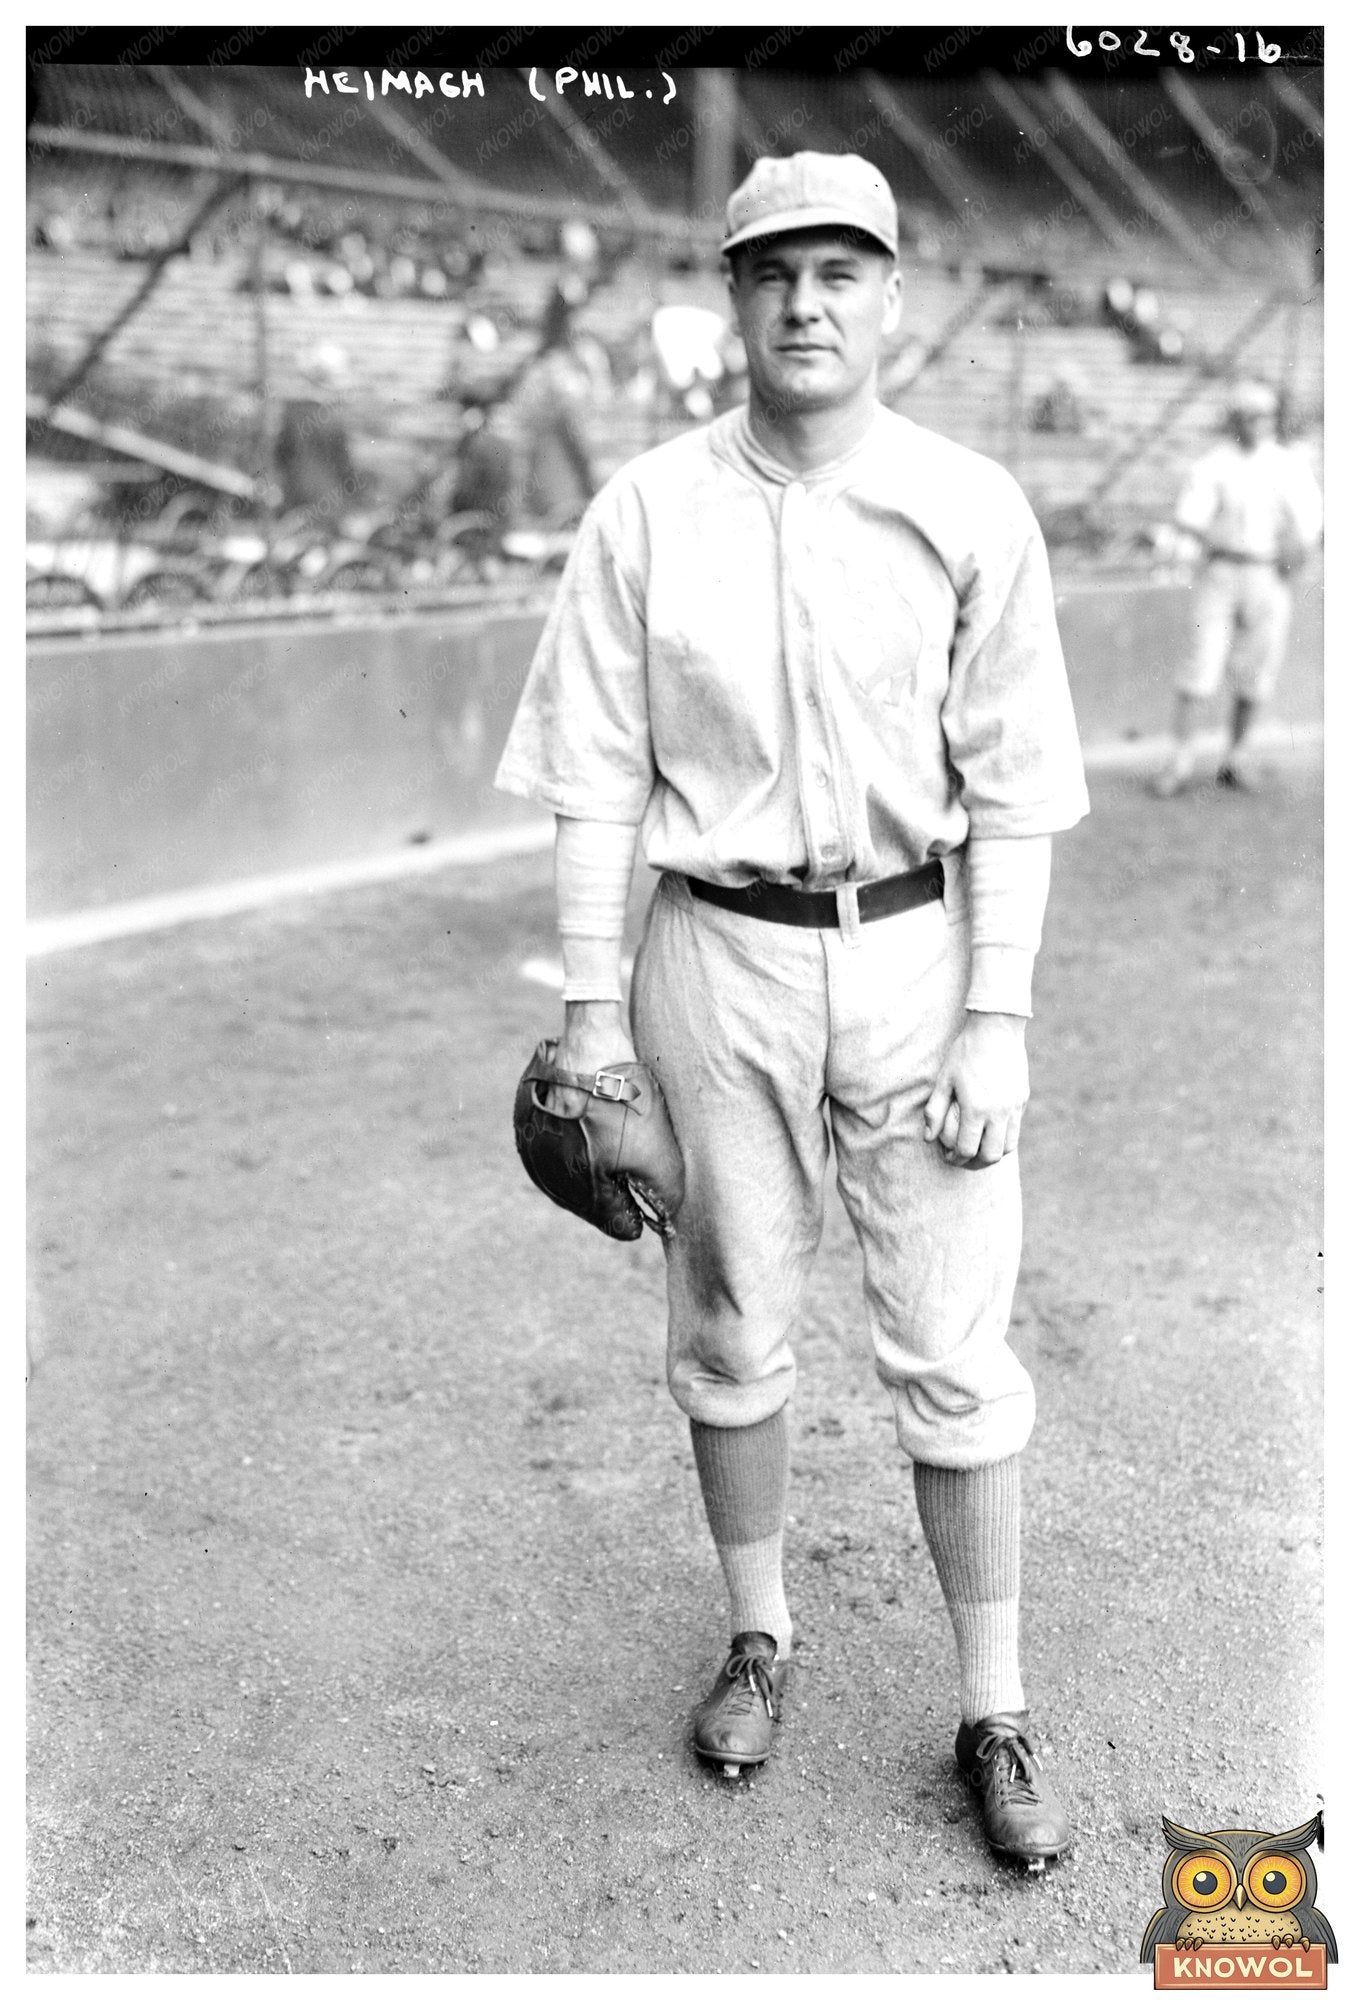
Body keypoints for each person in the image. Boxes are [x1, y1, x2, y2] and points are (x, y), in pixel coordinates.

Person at [495, 152, 1090, 1866]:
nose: (808, 301)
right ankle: (761, 1635)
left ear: (894, 296)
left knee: (955, 1349)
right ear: (733, 298)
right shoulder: (645, 512)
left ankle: (997, 1706)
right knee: (731, 1319)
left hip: (920, 948)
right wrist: (592, 1013)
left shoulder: (971, 505)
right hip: (718, 956)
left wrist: (1003, 1016)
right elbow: (596, 782)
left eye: (843, 270)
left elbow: (1021, 787)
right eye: (774, 272)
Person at [1151, 379, 1323, 797]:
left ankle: (1236, 757)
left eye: (1262, 415)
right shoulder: (1213, 465)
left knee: (1257, 669)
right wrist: (1201, 540)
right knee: (1201, 665)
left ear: (1271, 419)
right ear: (1233, 419)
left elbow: (1310, 523)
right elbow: (1191, 519)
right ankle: (1180, 760)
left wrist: (1297, 546)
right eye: (1246, 415)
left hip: (1268, 574)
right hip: (1222, 571)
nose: (1255, 423)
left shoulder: (1288, 465)